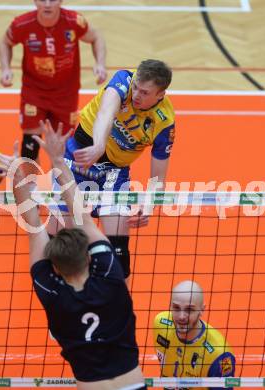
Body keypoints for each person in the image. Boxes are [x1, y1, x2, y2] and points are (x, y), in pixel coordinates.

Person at [0, 120, 147, 390]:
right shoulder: (111, 277)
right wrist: (58, 160)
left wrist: (19, 174)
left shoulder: (52, 293)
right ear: (89, 258)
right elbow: (83, 218)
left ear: (56, 268)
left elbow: (34, 229)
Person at [49, 58, 175, 280]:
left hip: (113, 174)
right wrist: (99, 145)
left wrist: (149, 204)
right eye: (136, 87)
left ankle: (118, 308)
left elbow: (158, 174)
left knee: (120, 255)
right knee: (59, 245)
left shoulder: (164, 123)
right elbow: (105, 114)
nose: (136, 94)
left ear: (160, 95)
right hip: (76, 162)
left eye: (145, 92)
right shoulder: (124, 80)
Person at [0, 0, 107, 162]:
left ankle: (60, 186)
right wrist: (5, 68)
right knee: (31, 142)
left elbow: (96, 37)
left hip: (66, 93)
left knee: (63, 146)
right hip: (34, 91)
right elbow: (5, 43)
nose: (47, 4)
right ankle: (30, 185)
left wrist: (100, 63)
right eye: (43, 0)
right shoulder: (22, 24)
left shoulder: (74, 21)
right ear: (35, 1)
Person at [153, 280, 236, 389]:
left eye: (189, 309)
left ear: (202, 310)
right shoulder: (161, 325)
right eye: (176, 308)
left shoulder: (220, 355)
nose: (181, 316)